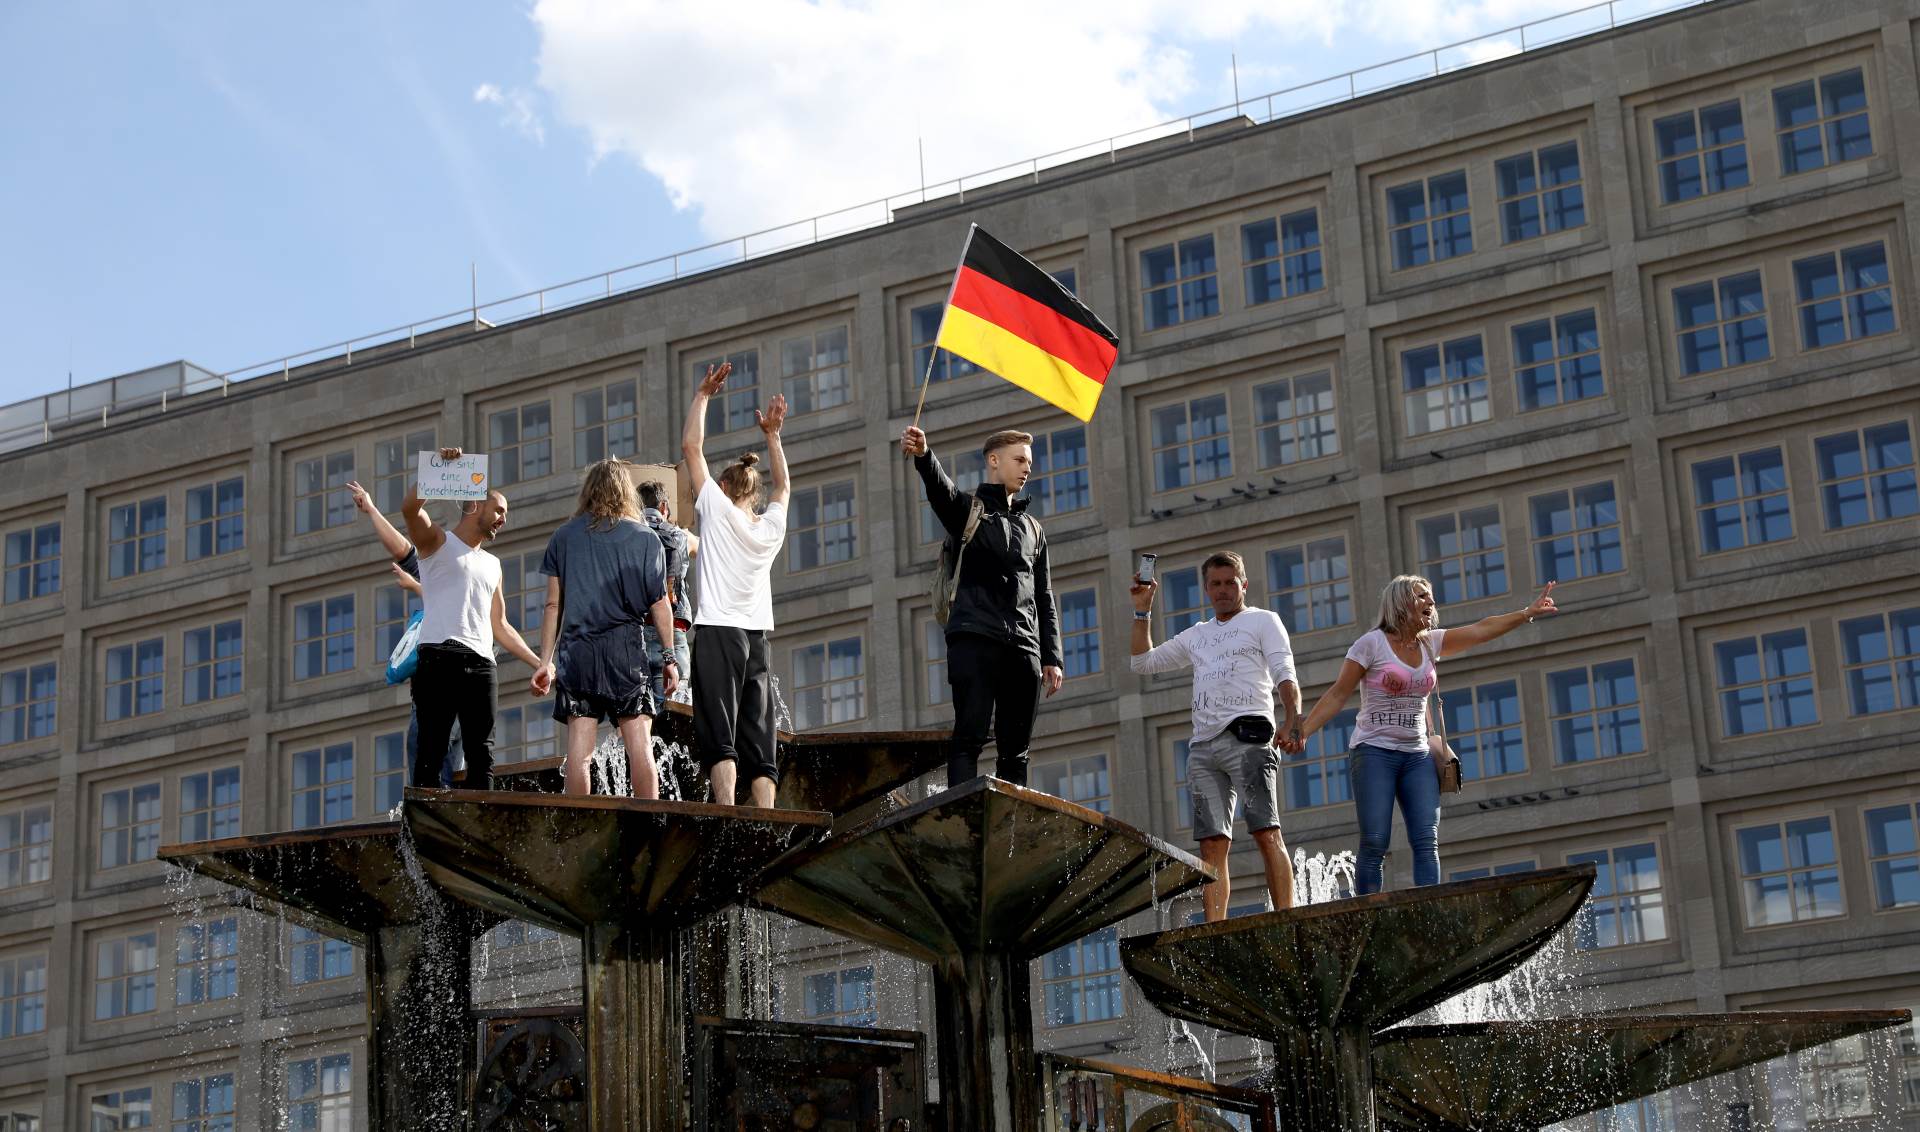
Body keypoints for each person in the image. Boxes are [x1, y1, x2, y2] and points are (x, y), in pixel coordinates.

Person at [1292, 576, 1561, 894]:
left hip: (1417, 754)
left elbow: (1481, 629)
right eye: (1422, 596)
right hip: (1374, 751)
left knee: (1425, 839)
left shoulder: (1429, 643)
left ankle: (1428, 909)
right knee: (1375, 840)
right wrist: (1303, 732)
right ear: (1400, 603)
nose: (1431, 602)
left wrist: (1526, 612)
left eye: (1431, 597)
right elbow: (1338, 694)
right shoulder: (1371, 644)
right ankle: (1365, 913)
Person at [1130, 551, 1300, 919]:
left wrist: (1292, 718)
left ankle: (1287, 916)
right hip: (1204, 747)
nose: (1223, 590)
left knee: (1266, 830)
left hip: (1249, 738)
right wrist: (1143, 611)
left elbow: (1285, 672)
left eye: (1230, 583)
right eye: (1215, 584)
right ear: (1206, 588)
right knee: (1211, 844)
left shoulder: (1263, 621)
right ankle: (1215, 927)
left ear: (1244, 585)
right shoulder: (1198, 635)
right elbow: (1143, 663)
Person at [900, 424, 1063, 788]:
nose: (1027, 468)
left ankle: (1011, 826)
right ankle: (963, 813)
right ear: (994, 461)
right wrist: (925, 456)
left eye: (1030, 462)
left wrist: (1052, 656)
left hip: (1024, 648)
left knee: (1016, 750)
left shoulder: (1034, 529)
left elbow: (1044, 596)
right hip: (974, 638)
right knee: (969, 737)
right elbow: (941, 491)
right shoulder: (968, 512)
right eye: (1019, 460)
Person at [530, 460, 678, 798]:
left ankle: (580, 832)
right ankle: (649, 827)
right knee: (639, 748)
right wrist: (669, 656)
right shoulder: (646, 539)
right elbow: (659, 604)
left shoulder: (563, 537)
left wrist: (544, 662)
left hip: (577, 653)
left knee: (580, 755)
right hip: (625, 652)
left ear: (588, 491)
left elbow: (553, 605)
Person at [400, 447, 544, 790]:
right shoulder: (436, 543)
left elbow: (501, 625)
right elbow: (409, 509)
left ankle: (483, 824)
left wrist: (539, 663)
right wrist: (439, 467)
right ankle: (426, 831)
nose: (503, 519)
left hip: (481, 664)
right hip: (438, 658)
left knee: (482, 753)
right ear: (476, 506)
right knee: (430, 751)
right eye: (499, 510)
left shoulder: (493, 564)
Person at [681, 361, 790, 807]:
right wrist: (773, 437)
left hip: (718, 632)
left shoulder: (717, 510)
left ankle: (725, 811)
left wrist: (703, 395)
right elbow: (783, 487)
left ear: (724, 486)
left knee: (719, 734)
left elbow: (691, 446)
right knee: (760, 740)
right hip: (757, 638)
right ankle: (767, 818)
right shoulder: (769, 529)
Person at [346, 479, 464, 785]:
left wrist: (417, 587)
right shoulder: (437, 571)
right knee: (432, 768)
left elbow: (458, 612)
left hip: (452, 693)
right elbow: (402, 548)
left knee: (432, 767)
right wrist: (371, 509)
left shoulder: (477, 578)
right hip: (430, 694)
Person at [637, 478, 696, 706]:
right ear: (663, 507)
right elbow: (707, 548)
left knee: (638, 713)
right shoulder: (681, 536)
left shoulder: (630, 536)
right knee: (675, 712)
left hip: (638, 632)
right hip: (673, 633)